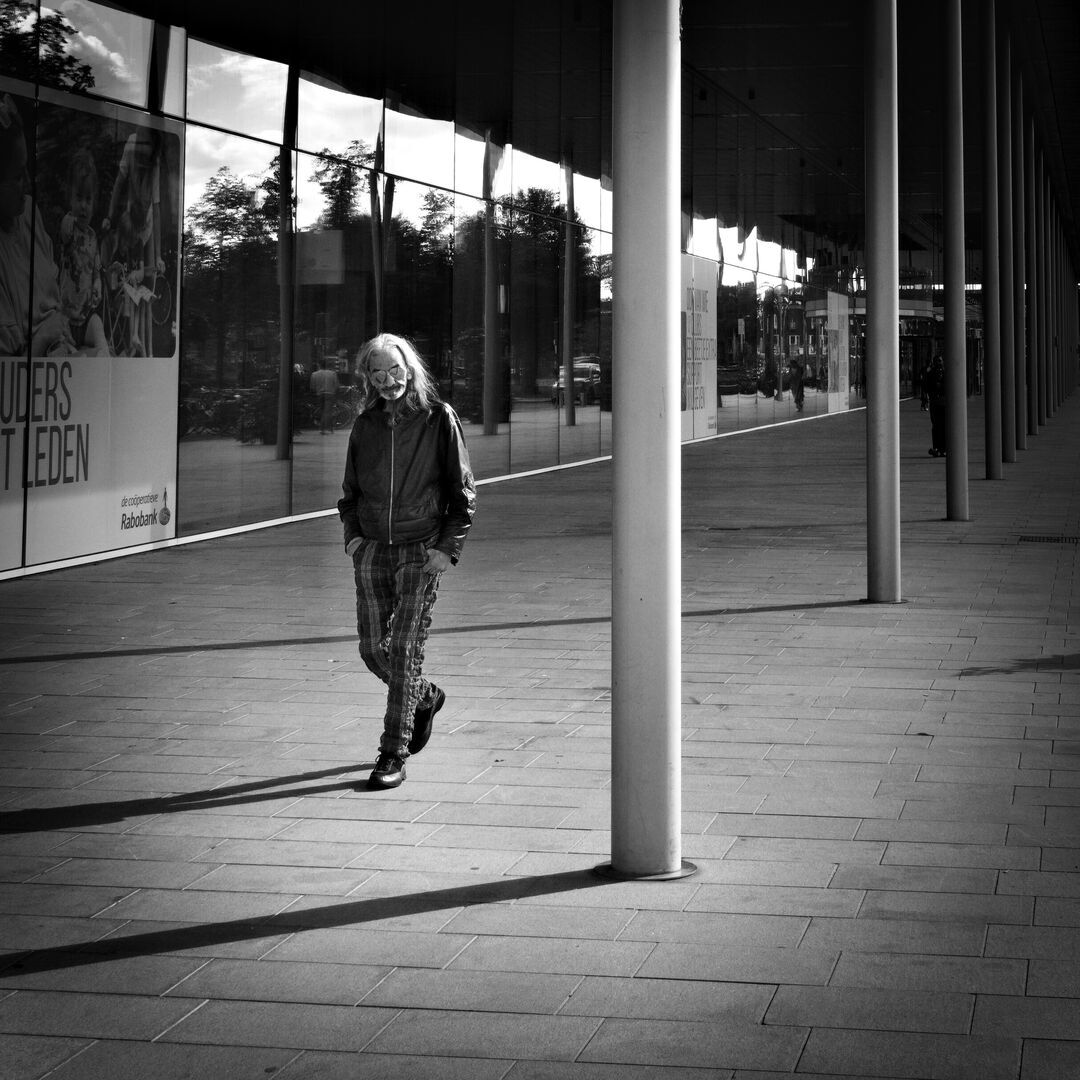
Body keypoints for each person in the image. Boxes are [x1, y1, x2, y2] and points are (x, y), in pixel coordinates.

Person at [338, 332, 476, 789]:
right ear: (368, 378)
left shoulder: (439, 419)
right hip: (373, 548)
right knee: (373, 648)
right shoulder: (366, 424)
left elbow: (463, 492)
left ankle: (392, 753)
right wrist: (354, 538)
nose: (387, 380)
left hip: (422, 549)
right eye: (377, 373)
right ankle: (424, 696)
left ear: (410, 368)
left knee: (402, 651)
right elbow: (350, 494)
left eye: (394, 370)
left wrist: (445, 547)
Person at [0, 93, 107, 357]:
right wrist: (46, 337)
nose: (27, 182)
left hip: (65, 349)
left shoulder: (29, 215)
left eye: (27, 169)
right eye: (16, 176)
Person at [101, 127, 164, 356]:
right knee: (136, 295)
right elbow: (119, 183)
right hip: (132, 220)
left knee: (143, 293)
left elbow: (155, 208)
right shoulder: (131, 145)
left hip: (140, 221)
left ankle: (142, 346)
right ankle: (133, 340)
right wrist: (109, 216)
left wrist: (154, 258)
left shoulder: (135, 243)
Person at [58, 147, 105, 352]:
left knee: (98, 326)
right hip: (64, 317)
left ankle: (103, 352)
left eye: (88, 199)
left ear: (94, 203)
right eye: (78, 197)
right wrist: (70, 218)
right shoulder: (68, 225)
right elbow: (64, 235)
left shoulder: (94, 237)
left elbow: (96, 272)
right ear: (70, 197)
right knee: (62, 341)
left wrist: (97, 285)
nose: (83, 206)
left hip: (85, 319)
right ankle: (72, 351)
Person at [924, 352, 948, 457]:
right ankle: (937, 447)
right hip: (936, 403)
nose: (939, 363)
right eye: (937, 361)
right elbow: (926, 386)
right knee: (936, 426)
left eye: (940, 361)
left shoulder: (946, 373)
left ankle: (944, 448)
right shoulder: (930, 374)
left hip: (943, 403)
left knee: (944, 426)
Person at [310, 358, 339, 433]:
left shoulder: (314, 374)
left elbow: (312, 387)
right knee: (328, 411)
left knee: (321, 410)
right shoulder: (333, 373)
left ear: (319, 365)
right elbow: (336, 385)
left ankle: (325, 428)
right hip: (330, 394)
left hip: (319, 394)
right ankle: (327, 427)